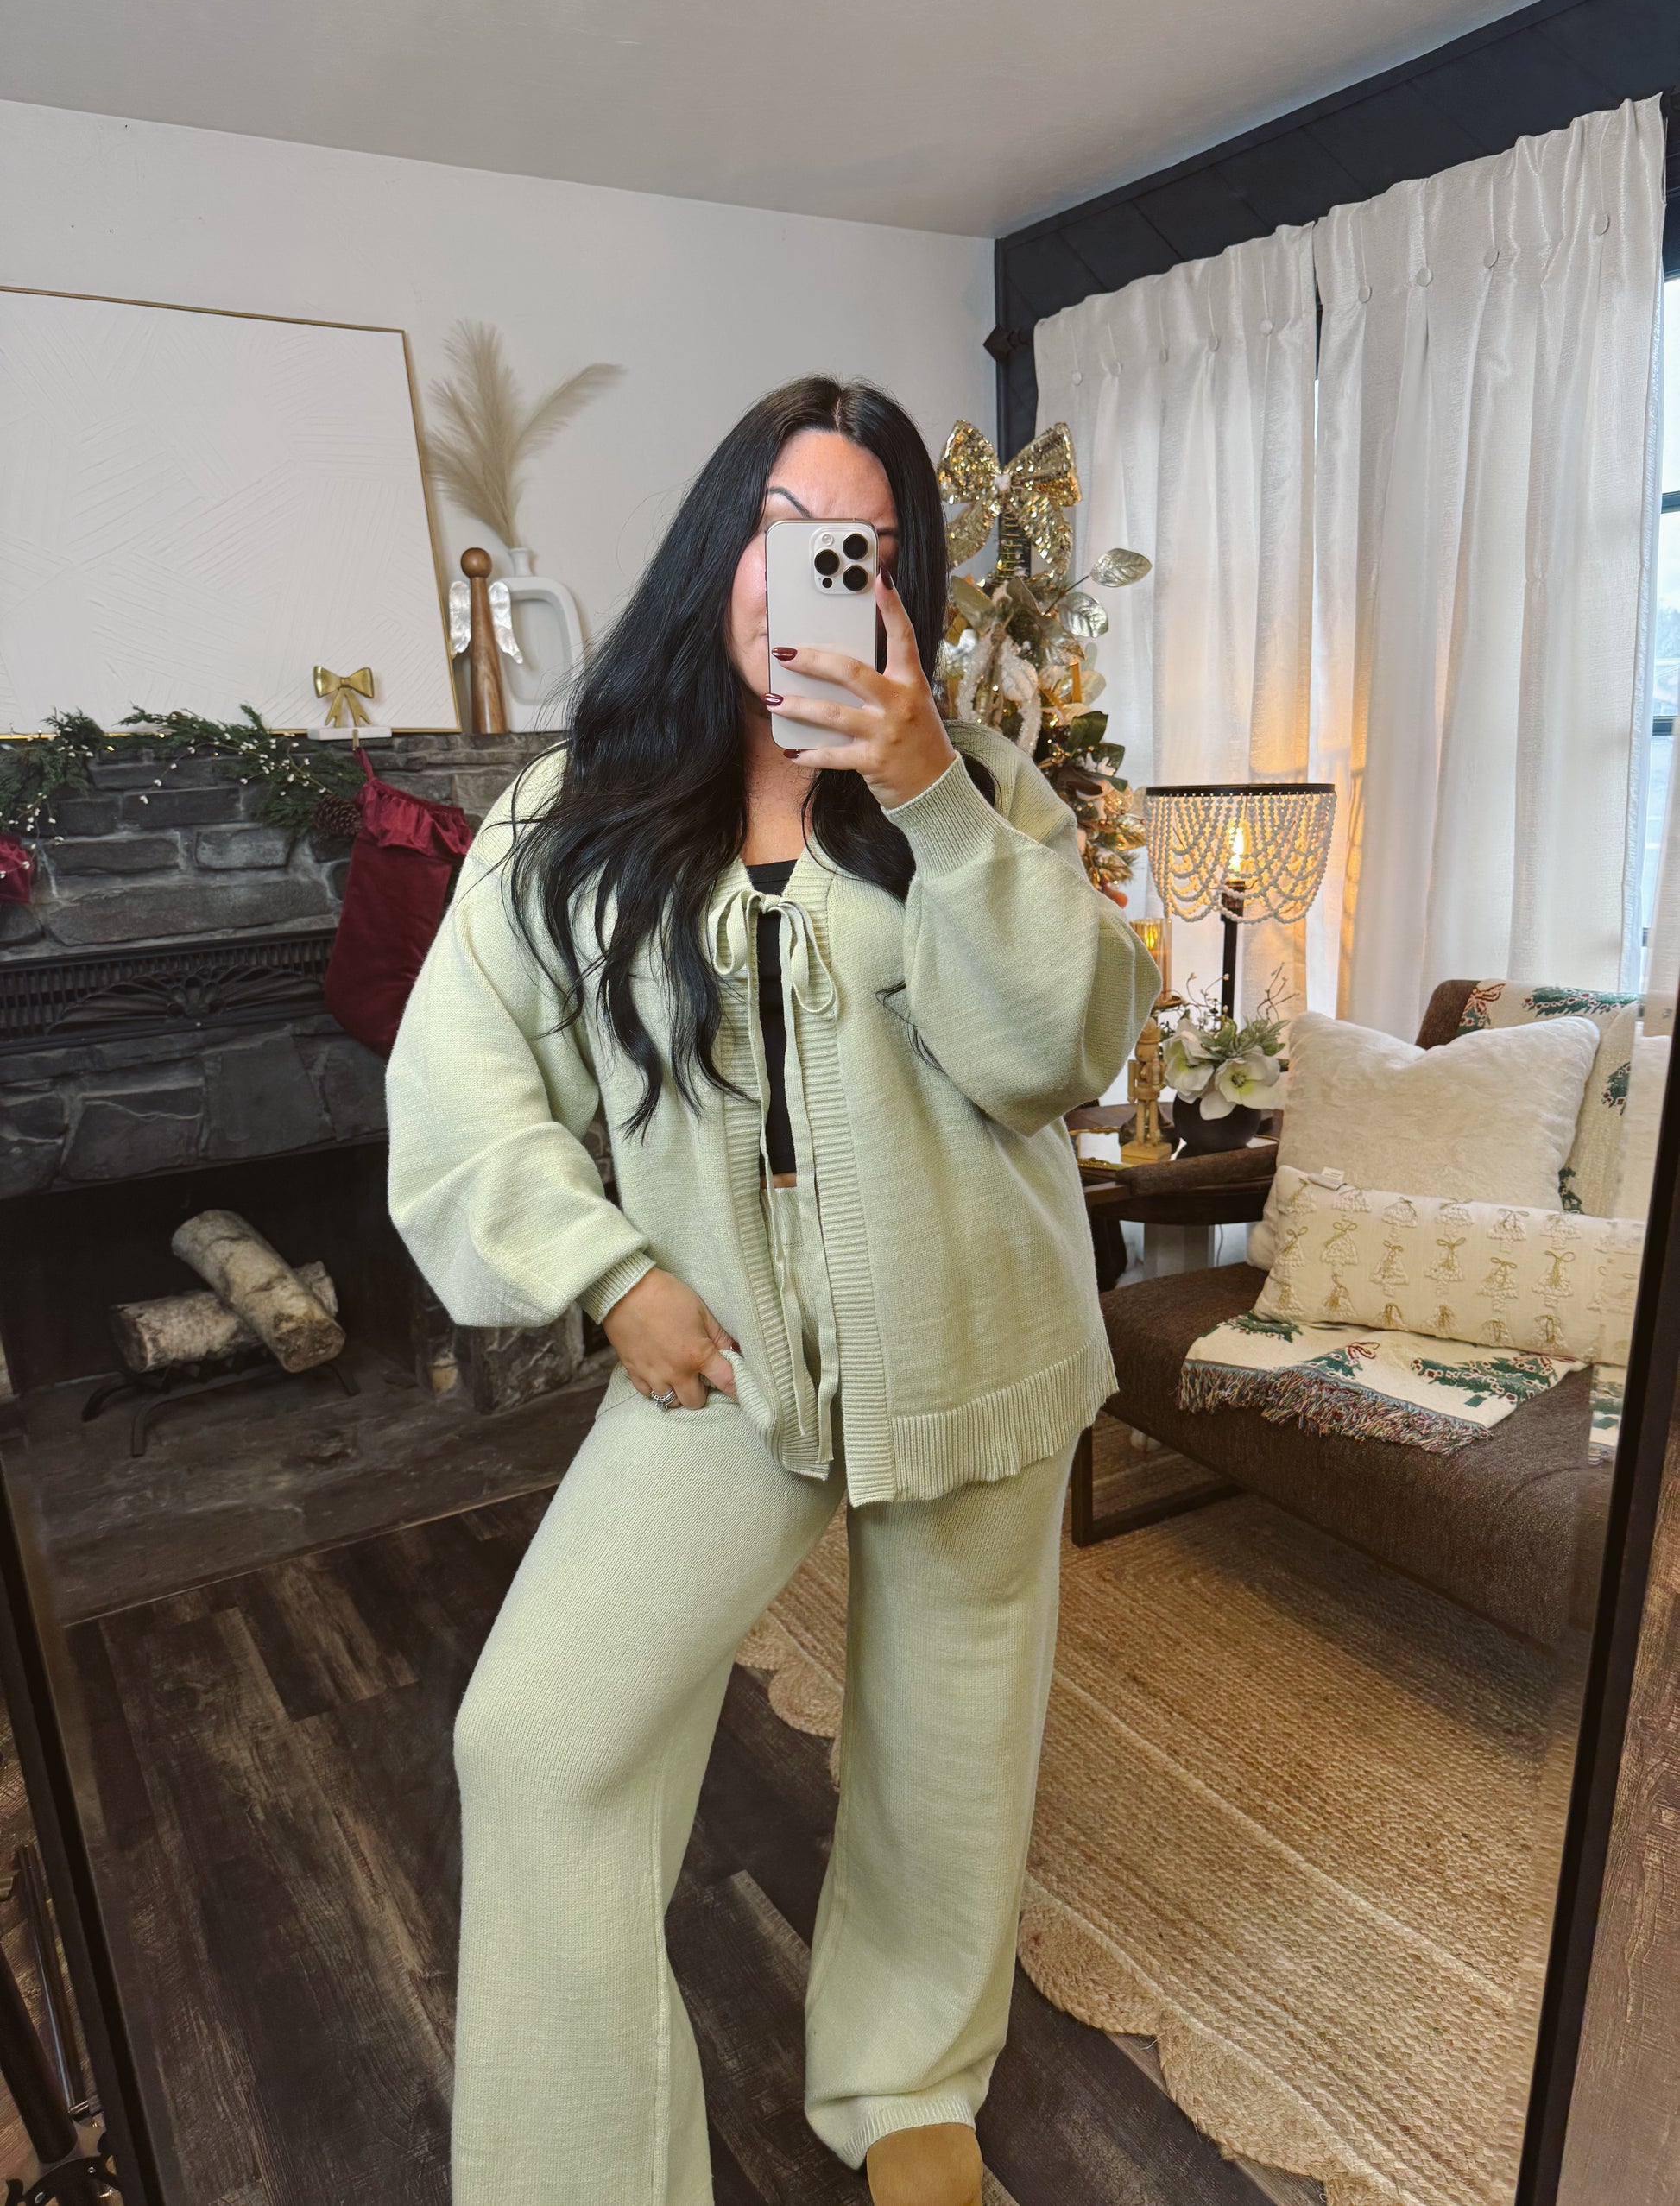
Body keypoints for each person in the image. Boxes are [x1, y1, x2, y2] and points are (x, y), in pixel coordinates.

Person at [384, 374, 1159, 2206]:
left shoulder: (980, 788)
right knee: (539, 1742)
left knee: (946, 1743)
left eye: (863, 546)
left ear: (899, 586)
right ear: (716, 545)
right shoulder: (570, 815)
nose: (814, 567)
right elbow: (459, 1085)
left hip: (972, 1334)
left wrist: (927, 787)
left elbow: (1057, 1053)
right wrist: (606, 1272)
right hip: (714, 1354)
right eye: (783, 526)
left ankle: (910, 2084)